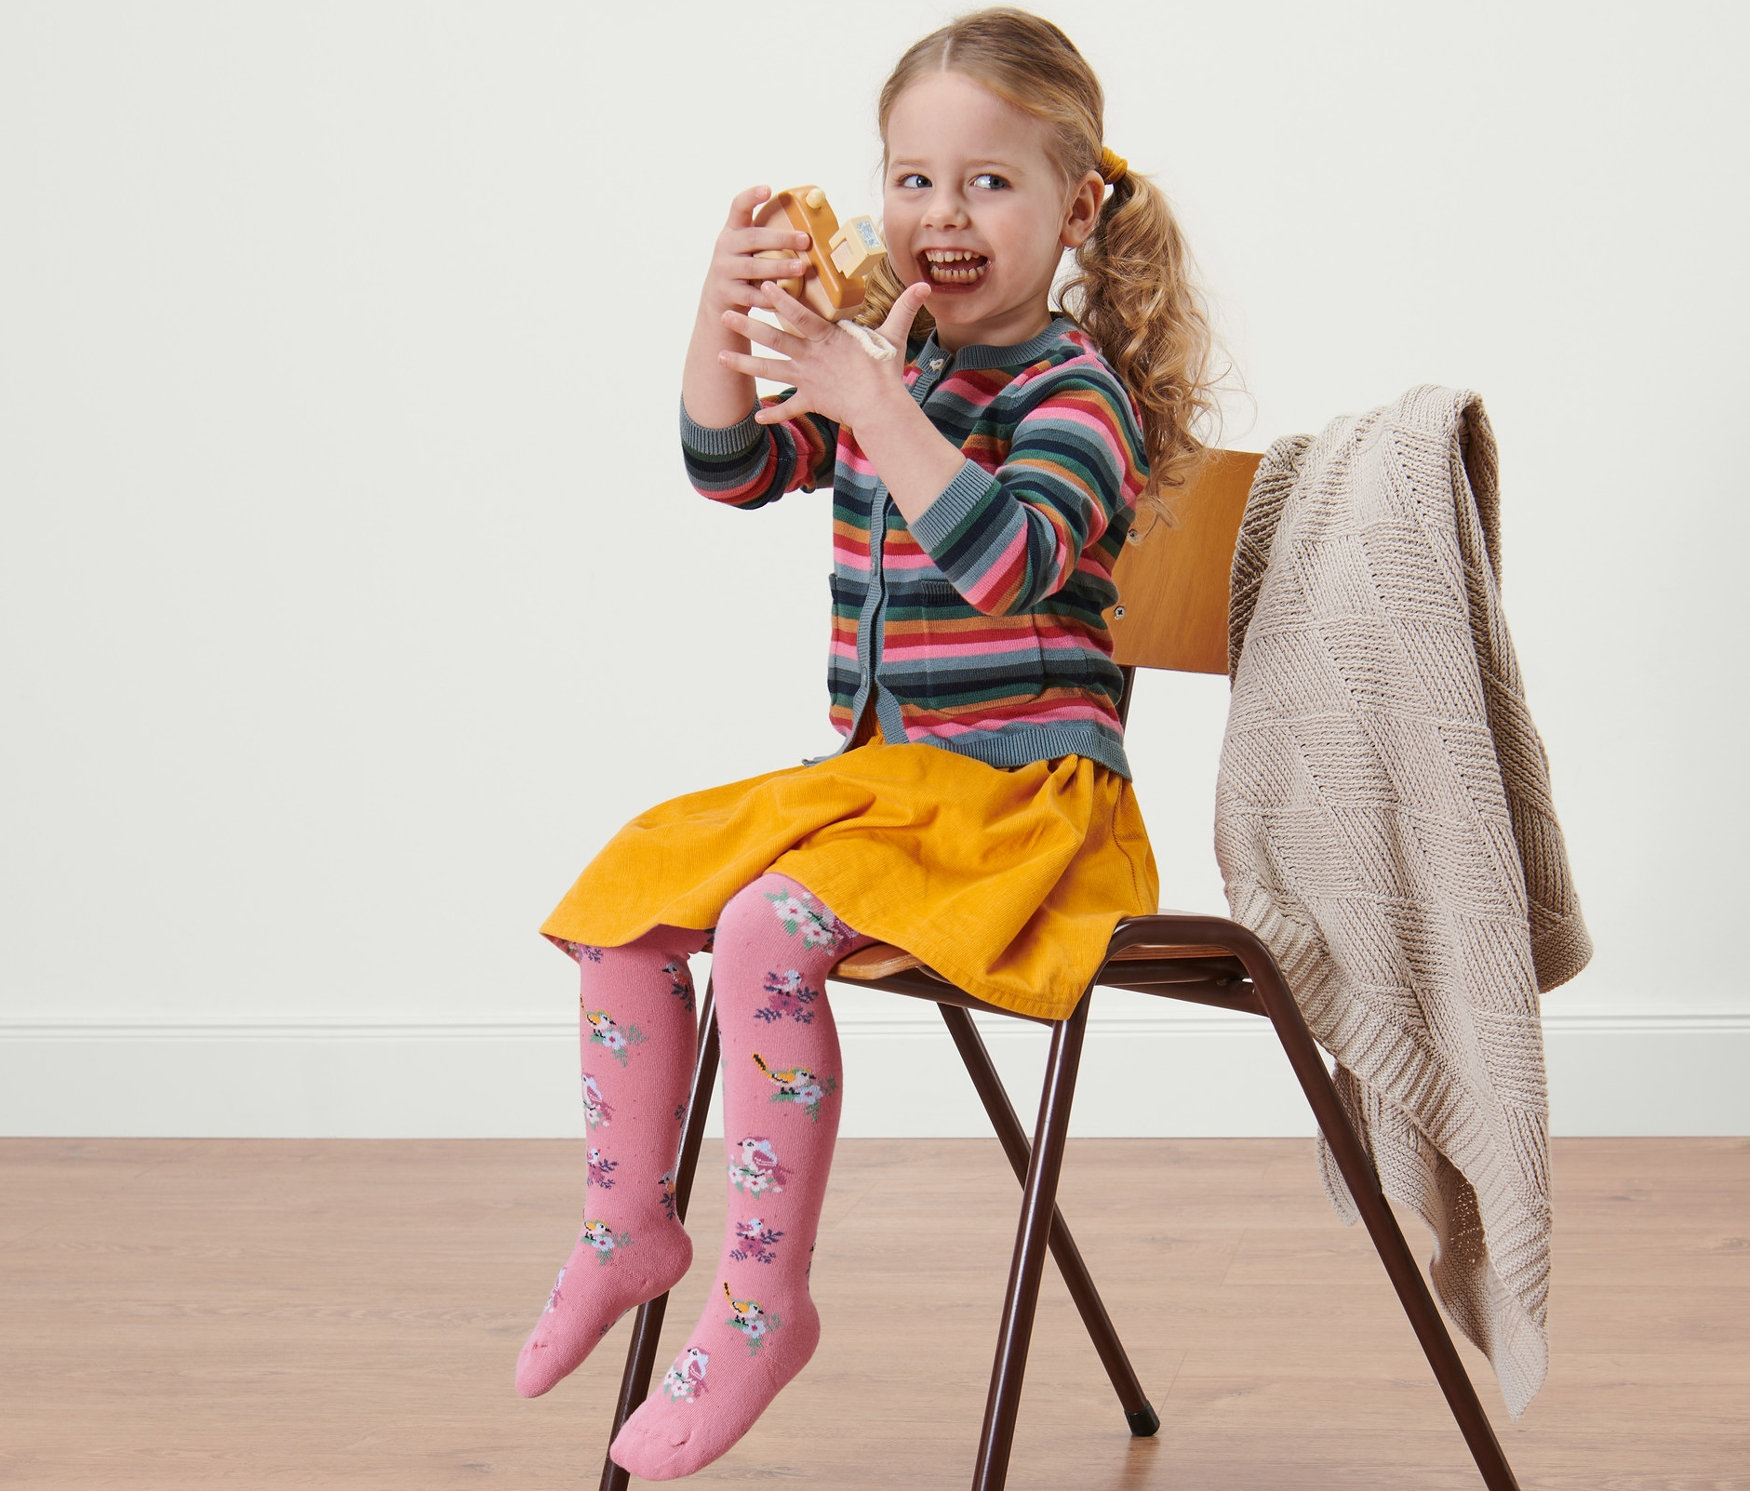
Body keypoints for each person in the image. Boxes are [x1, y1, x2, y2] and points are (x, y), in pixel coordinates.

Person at [517, 7, 1216, 1480]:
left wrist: (872, 397)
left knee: (766, 928)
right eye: (912, 180)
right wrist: (722, 320)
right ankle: (627, 1222)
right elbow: (730, 466)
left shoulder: (1072, 393)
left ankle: (763, 1303)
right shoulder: (889, 363)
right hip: (887, 795)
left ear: (1076, 206)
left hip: (1027, 812)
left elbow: (1010, 564)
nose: (940, 215)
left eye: (987, 182)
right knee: (628, 893)